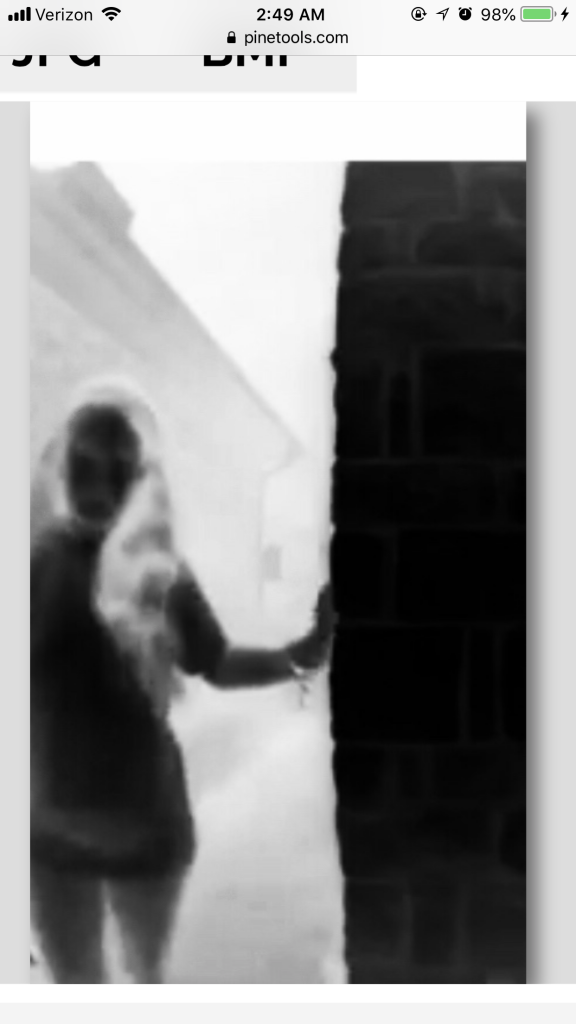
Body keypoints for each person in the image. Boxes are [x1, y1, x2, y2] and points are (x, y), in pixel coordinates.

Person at [30, 378, 333, 983]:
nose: (99, 486)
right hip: (55, 837)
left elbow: (215, 661)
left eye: (118, 469)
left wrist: (301, 654)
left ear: (140, 477)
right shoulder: (35, 564)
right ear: (63, 468)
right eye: (85, 466)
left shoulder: (161, 572)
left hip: (142, 831)